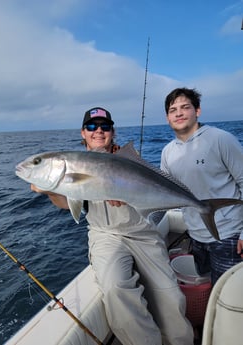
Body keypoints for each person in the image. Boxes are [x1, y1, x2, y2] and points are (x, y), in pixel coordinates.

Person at [31, 107, 194, 345]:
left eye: (105, 127)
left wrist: (126, 190)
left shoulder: (126, 158)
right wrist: (49, 190)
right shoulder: (75, 164)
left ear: (112, 132)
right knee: (116, 288)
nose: (98, 131)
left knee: (170, 295)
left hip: (142, 233)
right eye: (92, 126)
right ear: (83, 133)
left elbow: (145, 190)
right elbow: (66, 203)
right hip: (105, 235)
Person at [161, 87, 243, 285]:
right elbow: (164, 192)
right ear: (167, 118)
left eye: (185, 107)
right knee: (208, 285)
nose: (179, 113)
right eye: (173, 110)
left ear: (197, 111)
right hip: (195, 235)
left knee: (228, 294)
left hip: (228, 234)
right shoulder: (167, 152)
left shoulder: (220, 139)